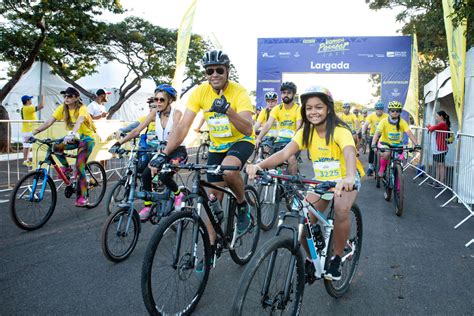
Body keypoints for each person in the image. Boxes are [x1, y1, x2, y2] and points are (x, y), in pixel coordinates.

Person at [247, 86, 364, 281]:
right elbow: (284, 153)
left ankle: (336, 257)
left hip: (344, 181)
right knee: (304, 218)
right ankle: (312, 260)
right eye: (309, 108)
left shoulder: (339, 130)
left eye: (318, 107)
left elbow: (349, 152)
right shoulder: (305, 133)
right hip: (321, 182)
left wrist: (350, 176)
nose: (313, 112)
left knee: (342, 209)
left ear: (328, 108)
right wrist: (259, 165)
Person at [150, 50, 255, 254]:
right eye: (209, 71)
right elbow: (182, 127)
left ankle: (243, 205)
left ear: (227, 71)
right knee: (211, 200)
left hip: (240, 141)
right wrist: (165, 153)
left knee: (229, 171)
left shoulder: (239, 92)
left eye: (219, 70)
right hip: (217, 146)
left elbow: (248, 128)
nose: (214, 74)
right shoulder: (200, 92)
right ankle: (210, 248)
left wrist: (228, 110)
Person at [110, 84, 187, 221]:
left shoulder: (177, 113)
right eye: (156, 99)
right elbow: (136, 131)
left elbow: (175, 131)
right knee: (145, 175)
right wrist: (118, 143)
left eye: (161, 100)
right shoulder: (153, 114)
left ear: (170, 100)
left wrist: (166, 147)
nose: (157, 103)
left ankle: (178, 194)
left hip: (176, 151)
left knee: (164, 177)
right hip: (161, 151)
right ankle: (148, 206)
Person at [31, 87, 96, 207]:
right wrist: (33, 133)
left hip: (87, 139)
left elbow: (80, 121)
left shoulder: (82, 109)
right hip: (75, 138)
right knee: (56, 147)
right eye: (65, 96)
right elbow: (49, 122)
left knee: (79, 166)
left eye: (69, 96)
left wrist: (72, 132)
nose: (66, 98)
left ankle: (83, 197)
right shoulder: (62, 108)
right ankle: (66, 168)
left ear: (76, 97)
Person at [256, 82, 302, 175]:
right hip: (279, 141)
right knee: (270, 160)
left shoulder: (298, 109)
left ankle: (292, 184)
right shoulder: (277, 108)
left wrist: (294, 141)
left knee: (291, 158)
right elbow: (268, 124)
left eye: (289, 93)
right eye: (284, 93)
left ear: (293, 94)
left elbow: (298, 127)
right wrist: (259, 138)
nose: (286, 95)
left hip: (293, 142)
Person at [371, 101, 419, 177]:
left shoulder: (403, 122)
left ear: (400, 112)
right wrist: (373, 144)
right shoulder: (384, 121)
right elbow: (377, 133)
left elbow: (410, 134)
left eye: (397, 111)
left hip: (397, 145)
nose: (395, 112)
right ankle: (382, 169)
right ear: (389, 111)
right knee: (386, 154)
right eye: (392, 110)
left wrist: (417, 144)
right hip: (384, 143)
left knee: (400, 159)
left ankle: (397, 177)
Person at [362, 101, 388, 176]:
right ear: (375, 109)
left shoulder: (386, 116)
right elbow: (366, 125)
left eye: (381, 109)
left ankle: (384, 167)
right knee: (372, 150)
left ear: (383, 110)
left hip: (384, 136)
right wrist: (363, 133)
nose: (379, 110)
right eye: (377, 109)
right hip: (373, 136)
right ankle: (370, 167)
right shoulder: (371, 116)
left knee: (385, 152)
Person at [426, 111, 450, 188]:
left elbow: (432, 128)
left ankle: (441, 182)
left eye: (437, 116)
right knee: (437, 165)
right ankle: (436, 181)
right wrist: (430, 127)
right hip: (437, 149)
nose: (436, 118)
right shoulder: (441, 124)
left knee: (441, 165)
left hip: (440, 149)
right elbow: (432, 128)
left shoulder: (442, 124)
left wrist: (429, 127)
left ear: (441, 117)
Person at [20, 95, 44, 167]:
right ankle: (25, 160)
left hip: (27, 129)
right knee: (26, 146)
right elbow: (41, 106)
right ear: (27, 101)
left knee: (27, 146)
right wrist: (43, 97)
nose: (31, 100)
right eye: (30, 99)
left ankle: (26, 160)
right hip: (28, 130)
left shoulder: (24, 108)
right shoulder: (28, 108)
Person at [253, 91, 279, 156]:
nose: (271, 103)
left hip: (279, 136)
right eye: (268, 101)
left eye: (272, 101)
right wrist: (251, 133)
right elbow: (258, 124)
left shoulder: (280, 110)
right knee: (263, 150)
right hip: (268, 136)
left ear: (276, 102)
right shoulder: (264, 111)